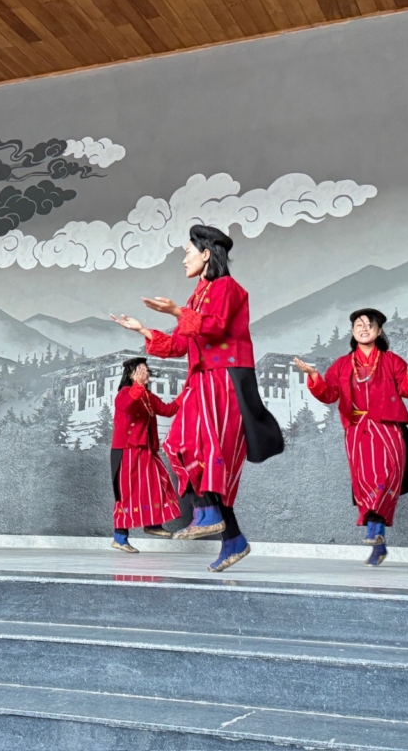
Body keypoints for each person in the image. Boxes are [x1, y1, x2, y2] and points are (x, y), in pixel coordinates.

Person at [111, 225, 284, 572]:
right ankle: (231, 537)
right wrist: (144, 329)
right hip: (201, 381)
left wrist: (177, 313)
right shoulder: (196, 297)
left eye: (188, 251)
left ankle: (209, 516)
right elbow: (180, 344)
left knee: (196, 448)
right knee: (184, 447)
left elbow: (216, 327)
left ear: (206, 254)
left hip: (223, 381)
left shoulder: (229, 289)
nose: (184, 258)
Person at [294, 308, 408, 566]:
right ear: (353, 332)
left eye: (370, 324)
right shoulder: (342, 365)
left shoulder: (392, 361)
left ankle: (375, 530)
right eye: (358, 324)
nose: (364, 327)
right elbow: (329, 395)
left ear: (379, 331)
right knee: (364, 480)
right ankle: (377, 537)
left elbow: (406, 389)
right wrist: (314, 376)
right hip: (357, 428)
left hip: (387, 426)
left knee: (384, 475)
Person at [109, 357, 181, 553]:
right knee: (127, 492)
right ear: (132, 375)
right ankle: (120, 537)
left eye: (146, 370)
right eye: (142, 370)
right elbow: (127, 406)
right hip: (127, 449)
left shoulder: (148, 397)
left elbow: (168, 410)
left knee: (157, 483)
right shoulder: (125, 393)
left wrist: (188, 392)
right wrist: (138, 385)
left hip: (145, 449)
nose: (146, 373)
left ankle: (152, 524)